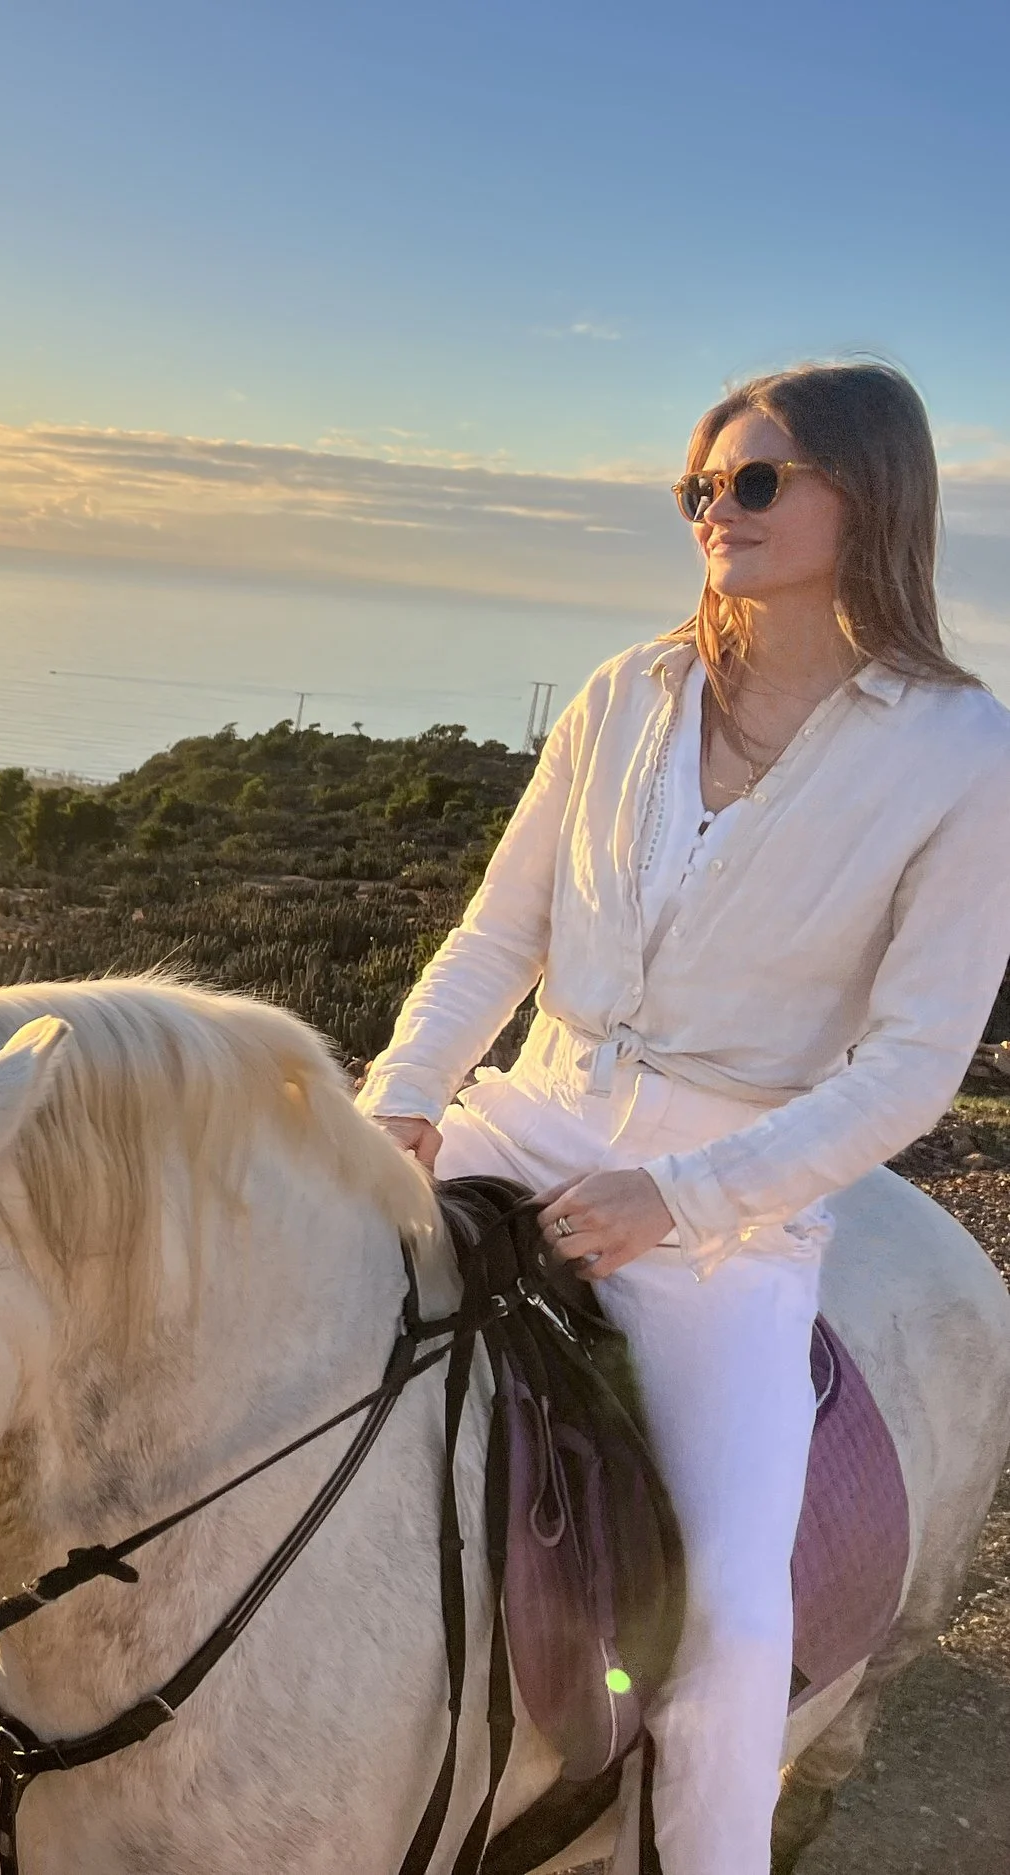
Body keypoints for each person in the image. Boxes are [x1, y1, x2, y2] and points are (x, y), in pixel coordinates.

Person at [355, 360, 1010, 1875]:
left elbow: (914, 1067)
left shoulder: (962, 757)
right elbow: (491, 941)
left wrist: (686, 1199)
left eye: (760, 480)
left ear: (876, 495)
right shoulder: (622, 695)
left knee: (723, 1635)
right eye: (702, 486)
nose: (721, 507)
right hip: (523, 1114)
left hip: (727, 1222)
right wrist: (396, 1102)